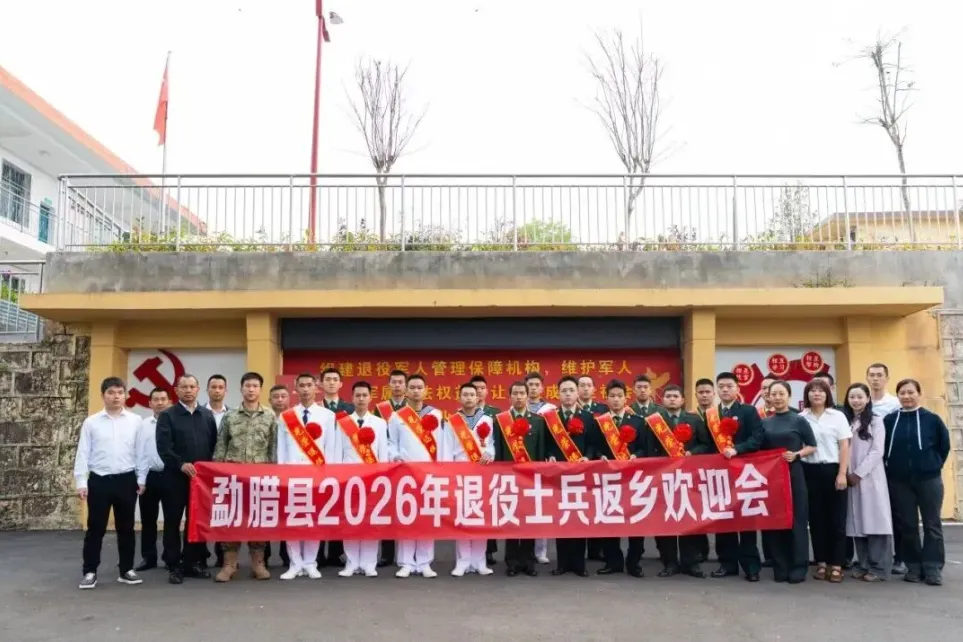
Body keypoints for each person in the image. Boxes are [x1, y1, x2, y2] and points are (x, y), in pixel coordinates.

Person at [74, 376, 146, 590]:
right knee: (95, 528)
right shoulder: (92, 422)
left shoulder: (135, 421)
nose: (116, 397)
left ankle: (126, 570)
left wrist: (141, 478)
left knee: (127, 528)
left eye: (120, 392)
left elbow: (141, 452)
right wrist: (81, 481)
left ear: (125, 395)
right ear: (103, 395)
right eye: (111, 393)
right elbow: (83, 452)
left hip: (126, 479)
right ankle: (90, 571)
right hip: (99, 480)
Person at [883, 378, 951, 586]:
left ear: (919, 394)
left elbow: (944, 446)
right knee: (908, 525)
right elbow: (883, 447)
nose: (907, 396)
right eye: (902, 393)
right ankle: (913, 566)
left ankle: (933, 568)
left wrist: (932, 465)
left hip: (929, 479)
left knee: (932, 524)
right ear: (898, 396)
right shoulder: (889, 420)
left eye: (911, 392)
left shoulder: (932, 419)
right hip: (899, 481)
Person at [213, 372, 278, 582]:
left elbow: (273, 448)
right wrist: (216, 472)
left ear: (260, 390)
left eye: (255, 386)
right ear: (241, 389)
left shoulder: (269, 416)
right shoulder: (230, 416)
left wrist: (274, 475)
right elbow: (221, 446)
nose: (251, 389)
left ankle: (258, 563)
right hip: (233, 478)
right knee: (232, 519)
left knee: (258, 520)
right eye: (247, 385)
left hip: (260, 478)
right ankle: (229, 564)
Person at [155, 374, 218, 585]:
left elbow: (213, 445)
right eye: (184, 387)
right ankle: (173, 565)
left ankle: (192, 562)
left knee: (196, 521)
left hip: (200, 480)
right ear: (176, 390)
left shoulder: (206, 415)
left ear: (198, 389)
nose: (188, 390)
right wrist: (180, 464)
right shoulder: (168, 415)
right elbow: (164, 447)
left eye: (192, 386)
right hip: (174, 478)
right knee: (172, 522)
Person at [646, 384, 712, 578]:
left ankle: (691, 563)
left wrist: (692, 453)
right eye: (668, 396)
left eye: (676, 396)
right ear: (663, 400)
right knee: (665, 520)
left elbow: (705, 445)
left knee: (689, 518)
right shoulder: (654, 421)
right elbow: (649, 449)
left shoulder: (694, 420)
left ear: (683, 400)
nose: (672, 399)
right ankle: (670, 563)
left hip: (688, 478)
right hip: (663, 477)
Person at [278, 373, 337, 580]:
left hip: (316, 476)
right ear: (295, 389)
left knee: (313, 520)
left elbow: (331, 448)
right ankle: (295, 564)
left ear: (316, 388)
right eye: (301, 385)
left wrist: (328, 477)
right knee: (292, 520)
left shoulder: (327, 416)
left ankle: (311, 563)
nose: (305, 389)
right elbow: (281, 449)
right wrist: (281, 476)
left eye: (309, 385)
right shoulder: (287, 416)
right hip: (292, 477)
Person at [387, 374, 445, 578]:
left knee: (426, 517)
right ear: (406, 390)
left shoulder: (436, 415)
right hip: (406, 474)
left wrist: (441, 469)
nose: (416, 391)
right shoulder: (397, 416)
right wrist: (395, 457)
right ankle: (406, 562)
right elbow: (391, 443)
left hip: (429, 474)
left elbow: (443, 444)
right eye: (412, 387)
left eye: (420, 387)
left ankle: (424, 562)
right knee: (406, 516)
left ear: (426, 390)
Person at [760, 381, 817, 583]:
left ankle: (798, 565)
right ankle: (780, 564)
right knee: (775, 520)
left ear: (789, 396)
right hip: (772, 477)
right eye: (774, 394)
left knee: (797, 519)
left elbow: (812, 445)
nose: (777, 397)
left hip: (793, 474)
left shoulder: (799, 420)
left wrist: (797, 454)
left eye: (781, 393)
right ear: (768, 396)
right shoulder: (765, 422)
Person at [588, 379, 645, 577]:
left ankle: (634, 562)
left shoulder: (638, 421)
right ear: (606, 399)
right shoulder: (600, 422)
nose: (616, 399)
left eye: (619, 396)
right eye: (612, 396)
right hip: (608, 479)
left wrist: (637, 455)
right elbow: (593, 446)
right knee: (610, 519)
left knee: (635, 521)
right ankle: (613, 561)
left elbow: (645, 447)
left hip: (632, 479)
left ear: (626, 398)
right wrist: (599, 456)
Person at [713, 371, 764, 581]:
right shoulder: (712, 414)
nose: (725, 390)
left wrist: (737, 449)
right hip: (719, 475)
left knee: (746, 521)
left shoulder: (748, 411)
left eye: (729, 386)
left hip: (744, 473)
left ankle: (751, 566)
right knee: (723, 520)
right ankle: (727, 564)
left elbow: (757, 438)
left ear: (737, 389)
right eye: (721, 386)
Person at [800, 378, 851, 582]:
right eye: (812, 390)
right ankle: (821, 563)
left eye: (820, 390)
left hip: (833, 470)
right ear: (807, 395)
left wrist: (842, 473)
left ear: (827, 393)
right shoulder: (801, 417)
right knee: (816, 519)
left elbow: (844, 446)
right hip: (809, 471)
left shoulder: (837, 416)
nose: (816, 394)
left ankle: (837, 564)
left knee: (837, 519)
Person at [337, 381, 390, 578]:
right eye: (357, 395)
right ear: (352, 398)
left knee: (370, 520)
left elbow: (383, 453)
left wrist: (382, 477)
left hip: (371, 478)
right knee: (350, 521)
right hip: (348, 478)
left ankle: (369, 563)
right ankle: (351, 562)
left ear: (370, 398)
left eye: (364, 395)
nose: (361, 399)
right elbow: (338, 451)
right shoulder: (343, 423)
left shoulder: (379, 423)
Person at [494, 381, 546, 577]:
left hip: (531, 479)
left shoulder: (538, 421)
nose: (518, 397)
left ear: (527, 396)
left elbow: (540, 451)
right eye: (515, 393)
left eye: (522, 393)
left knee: (529, 520)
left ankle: (528, 561)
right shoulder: (501, 420)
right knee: (511, 519)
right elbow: (499, 451)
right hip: (509, 478)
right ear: (509, 397)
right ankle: (512, 562)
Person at [843, 383, 893, 581]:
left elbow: (877, 451)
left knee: (875, 521)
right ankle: (863, 564)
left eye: (860, 397)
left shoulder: (875, 421)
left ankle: (879, 567)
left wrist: (858, 473)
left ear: (867, 399)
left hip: (870, 477)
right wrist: (846, 473)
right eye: (852, 397)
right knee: (857, 522)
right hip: (850, 478)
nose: (856, 400)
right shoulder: (845, 421)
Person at [445, 383, 496, 577]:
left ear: (478, 397)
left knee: (480, 517)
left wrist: (490, 453)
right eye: (465, 394)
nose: (468, 398)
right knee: (462, 518)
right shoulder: (452, 421)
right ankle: (463, 561)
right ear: (459, 398)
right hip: (460, 474)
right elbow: (447, 449)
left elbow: (492, 444)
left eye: (472, 394)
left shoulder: (487, 419)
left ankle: (479, 561)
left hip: (482, 474)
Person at [546, 376, 590, 577]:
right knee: (562, 518)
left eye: (571, 390)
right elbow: (546, 444)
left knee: (579, 518)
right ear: (558, 394)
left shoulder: (587, 417)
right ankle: (562, 563)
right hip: (559, 476)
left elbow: (593, 443)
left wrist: (587, 456)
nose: (568, 394)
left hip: (581, 475)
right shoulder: (550, 418)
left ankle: (579, 564)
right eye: (564, 390)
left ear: (577, 392)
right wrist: (549, 455)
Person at [866, 362, 905, 575]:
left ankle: (901, 557)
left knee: (897, 512)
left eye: (879, 375)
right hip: (870, 466)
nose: (875, 379)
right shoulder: (863, 403)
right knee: (875, 512)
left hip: (891, 463)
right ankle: (874, 558)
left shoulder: (895, 404)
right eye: (872, 375)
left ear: (887, 378)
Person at [318, 367, 354, 567]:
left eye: (335, 379)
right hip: (319, 463)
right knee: (319, 508)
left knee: (338, 509)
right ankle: (318, 554)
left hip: (342, 465)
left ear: (340, 384)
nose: (331, 383)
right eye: (328, 379)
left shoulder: (349, 409)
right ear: (321, 384)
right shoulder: (315, 408)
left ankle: (336, 553)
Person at [372, 369, 407, 568]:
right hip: (387, 464)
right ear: (389, 385)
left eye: (400, 382)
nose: (397, 385)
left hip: (408, 465)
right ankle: (386, 554)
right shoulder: (381, 409)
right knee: (387, 508)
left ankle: (405, 554)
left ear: (405, 385)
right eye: (394, 382)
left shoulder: (413, 408)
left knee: (406, 508)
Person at [134, 386, 170, 572]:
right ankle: (148, 557)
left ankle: (170, 557)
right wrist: (140, 478)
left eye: (163, 399)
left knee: (172, 519)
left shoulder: (174, 422)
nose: (160, 403)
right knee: (148, 519)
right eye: (156, 399)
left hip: (171, 475)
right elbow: (139, 452)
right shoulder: (143, 425)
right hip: (150, 476)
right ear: (150, 403)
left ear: (169, 402)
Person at [523, 371, 554, 564]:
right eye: (530, 385)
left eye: (536, 385)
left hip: (543, 465)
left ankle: (541, 551)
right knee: (525, 509)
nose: (533, 388)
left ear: (542, 388)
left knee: (542, 508)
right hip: (523, 466)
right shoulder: (518, 407)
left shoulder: (550, 409)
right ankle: (525, 551)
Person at [471, 374, 501, 567]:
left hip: (490, 468)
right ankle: (471, 552)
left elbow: (498, 439)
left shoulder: (495, 413)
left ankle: (489, 551)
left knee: (489, 509)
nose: (479, 391)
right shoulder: (462, 414)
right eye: (475, 389)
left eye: (482, 388)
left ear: (487, 391)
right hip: (470, 469)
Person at [203, 374, 230, 568]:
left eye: (221, 387)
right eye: (213, 387)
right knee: (201, 513)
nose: (217, 390)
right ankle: (199, 556)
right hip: (203, 472)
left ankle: (223, 555)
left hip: (225, 472)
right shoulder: (198, 413)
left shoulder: (233, 415)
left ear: (225, 391)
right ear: (207, 390)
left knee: (223, 513)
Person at [264, 383, 290, 569]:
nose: (280, 400)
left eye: (283, 396)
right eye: (276, 397)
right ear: (269, 400)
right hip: (266, 473)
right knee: (266, 515)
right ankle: (263, 556)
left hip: (288, 475)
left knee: (287, 515)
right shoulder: (264, 417)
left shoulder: (294, 418)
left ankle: (286, 554)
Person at [692, 377, 716, 565]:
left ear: (713, 394)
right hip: (695, 470)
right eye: (701, 392)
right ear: (696, 395)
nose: (704, 395)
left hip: (720, 469)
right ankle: (700, 549)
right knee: (696, 509)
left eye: (708, 392)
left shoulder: (720, 415)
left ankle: (726, 553)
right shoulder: (691, 417)